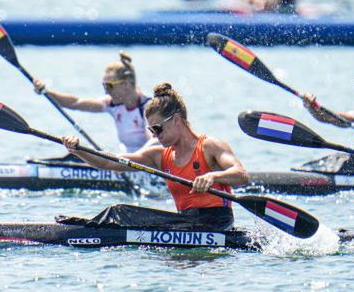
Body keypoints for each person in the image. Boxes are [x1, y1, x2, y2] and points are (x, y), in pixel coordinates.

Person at [58, 83, 249, 231]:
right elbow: (110, 162)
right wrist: (78, 150)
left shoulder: (209, 146)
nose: (154, 135)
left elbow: (241, 174)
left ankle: (88, 230)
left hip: (217, 223)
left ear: (176, 120)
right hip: (185, 222)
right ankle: (86, 227)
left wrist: (212, 177)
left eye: (157, 129)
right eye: (151, 130)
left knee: (120, 214)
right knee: (119, 212)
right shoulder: (159, 156)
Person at [33, 51, 153, 152]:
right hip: (127, 163)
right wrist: (47, 92)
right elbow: (75, 103)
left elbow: (154, 142)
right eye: (104, 86)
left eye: (109, 86)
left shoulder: (148, 108)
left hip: (147, 164)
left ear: (126, 84)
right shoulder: (112, 104)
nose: (106, 92)